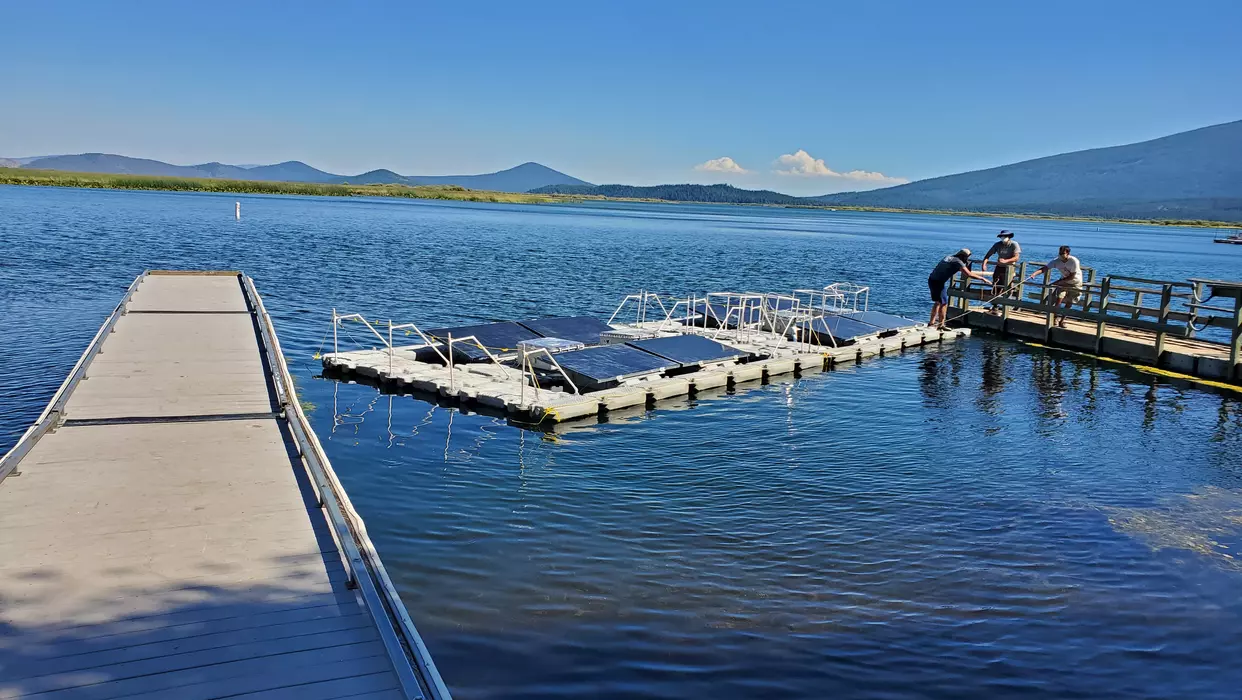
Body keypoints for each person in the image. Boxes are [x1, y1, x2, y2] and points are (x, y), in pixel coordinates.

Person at [928, 248, 989, 329]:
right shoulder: (958, 262)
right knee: (944, 303)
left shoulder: (948, 257)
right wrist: (982, 278)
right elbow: (968, 274)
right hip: (938, 282)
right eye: (966, 257)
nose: (967, 259)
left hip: (932, 279)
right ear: (963, 256)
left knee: (938, 302)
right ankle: (941, 325)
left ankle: (931, 323)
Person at [1027, 245, 1083, 328]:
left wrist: (1057, 282)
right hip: (1063, 282)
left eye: (1063, 253)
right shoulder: (1056, 261)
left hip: (1076, 282)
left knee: (1069, 302)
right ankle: (1056, 318)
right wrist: (1034, 274)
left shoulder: (1074, 261)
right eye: (1060, 253)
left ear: (1067, 253)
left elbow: (1072, 276)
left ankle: (1062, 320)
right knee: (1059, 299)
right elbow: (1045, 268)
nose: (1061, 255)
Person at [980, 230, 1021, 314]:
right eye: (1002, 237)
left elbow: (1016, 258)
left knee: (1008, 286)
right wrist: (984, 264)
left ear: (1009, 237)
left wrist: (1005, 261)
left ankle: (1007, 304)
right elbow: (988, 255)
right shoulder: (997, 245)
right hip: (999, 267)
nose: (1003, 238)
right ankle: (995, 305)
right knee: (996, 285)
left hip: (1010, 268)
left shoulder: (1014, 244)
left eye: (1005, 236)